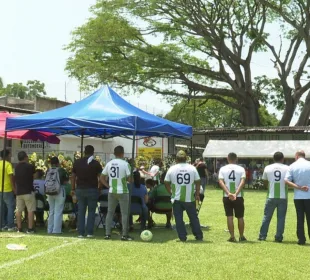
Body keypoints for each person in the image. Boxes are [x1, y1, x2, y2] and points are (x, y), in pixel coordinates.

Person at [164, 150, 203, 242]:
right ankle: (198, 235)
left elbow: (166, 182)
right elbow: (198, 181)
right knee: (193, 217)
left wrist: (170, 192)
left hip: (177, 198)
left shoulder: (172, 168)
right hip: (189, 198)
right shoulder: (192, 168)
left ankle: (182, 237)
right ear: (186, 158)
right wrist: (197, 194)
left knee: (179, 219)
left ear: (176, 159)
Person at [101, 145, 133, 241]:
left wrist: (108, 185)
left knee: (110, 212)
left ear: (114, 154)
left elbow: (102, 178)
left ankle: (107, 234)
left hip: (112, 191)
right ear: (122, 153)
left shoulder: (109, 163)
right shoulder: (125, 164)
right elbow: (130, 179)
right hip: (123, 191)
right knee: (124, 213)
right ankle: (124, 234)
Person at [71, 145, 103, 238]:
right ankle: (89, 232)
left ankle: (80, 232)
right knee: (91, 211)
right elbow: (101, 178)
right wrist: (99, 188)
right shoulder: (96, 163)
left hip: (80, 189)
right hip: (92, 189)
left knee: (81, 211)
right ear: (93, 152)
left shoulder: (77, 162)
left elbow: (73, 177)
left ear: (84, 152)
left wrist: (73, 189)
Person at [258, 152, 289, 242]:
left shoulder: (268, 167)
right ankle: (278, 237)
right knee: (281, 218)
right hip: (283, 196)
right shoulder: (287, 168)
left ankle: (262, 236)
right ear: (282, 159)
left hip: (271, 196)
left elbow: (265, 181)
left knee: (266, 217)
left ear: (273, 158)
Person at [218, 152, 246, 242]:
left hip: (227, 196)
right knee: (240, 217)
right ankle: (241, 236)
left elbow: (221, 182)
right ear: (236, 159)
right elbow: (243, 181)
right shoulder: (241, 169)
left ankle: (232, 237)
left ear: (227, 158)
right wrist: (236, 193)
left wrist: (228, 193)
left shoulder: (223, 169)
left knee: (229, 216)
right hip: (238, 196)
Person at [284, 150, 310, 245]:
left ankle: (301, 239)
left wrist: (299, 187)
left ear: (296, 156)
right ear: (304, 156)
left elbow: (286, 181)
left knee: (300, 218)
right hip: (309, 196)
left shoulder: (292, 166)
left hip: (298, 196)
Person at [14, 151, 36, 233]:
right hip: (28, 191)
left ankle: (19, 228)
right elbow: (34, 176)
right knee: (30, 210)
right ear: (25, 157)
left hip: (19, 191)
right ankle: (30, 228)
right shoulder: (30, 166)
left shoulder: (16, 167)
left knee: (18, 210)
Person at [47, 157, 69, 234]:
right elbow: (66, 181)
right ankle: (56, 230)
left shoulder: (48, 170)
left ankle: (49, 229)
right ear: (58, 163)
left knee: (51, 211)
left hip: (49, 191)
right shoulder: (61, 170)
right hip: (59, 191)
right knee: (58, 211)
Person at [0, 149, 15, 231]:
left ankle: (2, 224)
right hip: (7, 189)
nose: (11, 156)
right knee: (10, 207)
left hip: (0, 189)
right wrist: (14, 188)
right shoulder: (8, 165)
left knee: (1, 207)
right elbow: (11, 177)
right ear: (7, 155)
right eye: (10, 155)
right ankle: (10, 225)